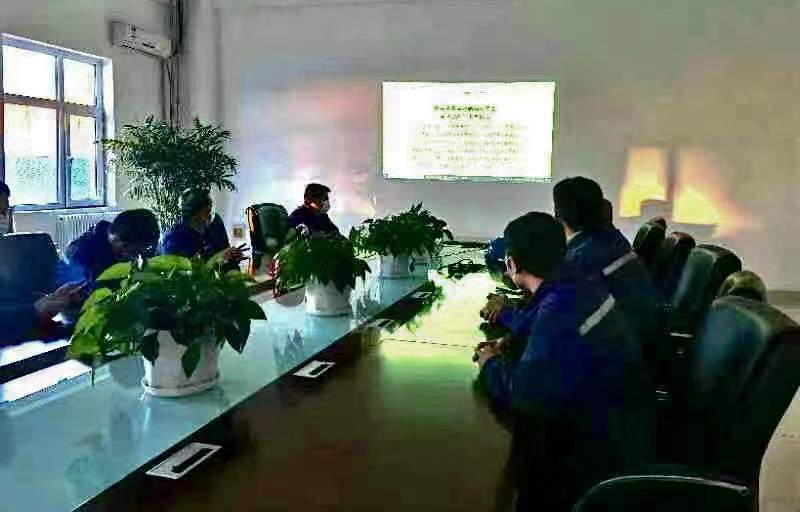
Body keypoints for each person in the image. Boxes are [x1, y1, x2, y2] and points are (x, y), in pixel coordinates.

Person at [475, 212, 652, 511]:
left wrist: (489, 363)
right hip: (623, 421)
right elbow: (537, 320)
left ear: (512, 264)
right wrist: (513, 340)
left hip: (594, 451)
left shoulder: (561, 307)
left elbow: (523, 394)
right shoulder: (577, 281)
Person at [60, 209, 160, 287]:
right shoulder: (83, 255)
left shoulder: (120, 235)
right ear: (123, 246)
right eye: (137, 251)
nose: (140, 255)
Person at [159, 188, 246, 264]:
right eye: (207, 212)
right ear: (194, 214)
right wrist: (219, 259)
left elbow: (225, 251)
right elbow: (183, 270)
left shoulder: (215, 222)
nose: (210, 216)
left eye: (211, 210)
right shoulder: (175, 237)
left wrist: (233, 256)